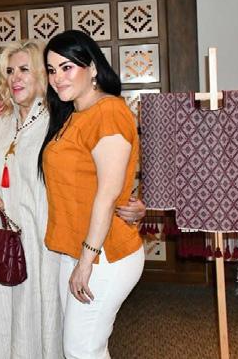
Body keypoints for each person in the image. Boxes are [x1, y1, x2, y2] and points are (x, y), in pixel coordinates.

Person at [0, 39, 145, 358]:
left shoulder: (60, 116)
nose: (15, 77)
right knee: (22, 325)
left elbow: (105, 182)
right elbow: (82, 175)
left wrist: (128, 202)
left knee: (74, 342)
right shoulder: (13, 123)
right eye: (9, 71)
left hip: (51, 246)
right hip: (34, 242)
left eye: (25, 69)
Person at [40, 30, 144, 359]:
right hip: (75, 247)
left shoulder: (108, 112)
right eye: (51, 70)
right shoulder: (71, 115)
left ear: (93, 68)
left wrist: (87, 261)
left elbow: (107, 194)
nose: (57, 77)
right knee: (81, 348)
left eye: (67, 67)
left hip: (104, 252)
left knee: (81, 349)